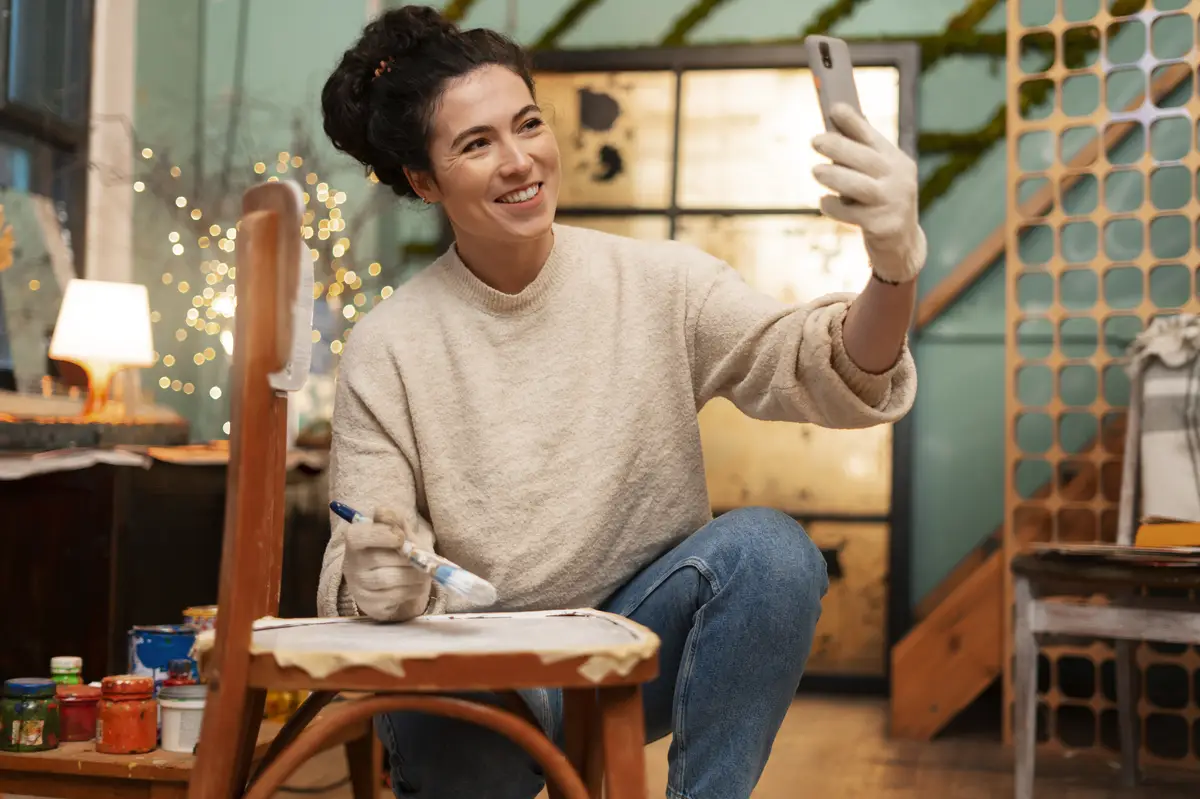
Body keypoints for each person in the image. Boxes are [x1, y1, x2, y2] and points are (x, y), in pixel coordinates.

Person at [317, 6, 921, 798]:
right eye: (476, 143)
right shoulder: (388, 345)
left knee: (771, 553)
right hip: (469, 674)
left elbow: (827, 369)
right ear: (423, 181)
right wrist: (379, 578)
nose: (518, 159)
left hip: (630, 648)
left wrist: (894, 265)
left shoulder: (662, 284)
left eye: (527, 124)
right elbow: (359, 549)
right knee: (442, 713)